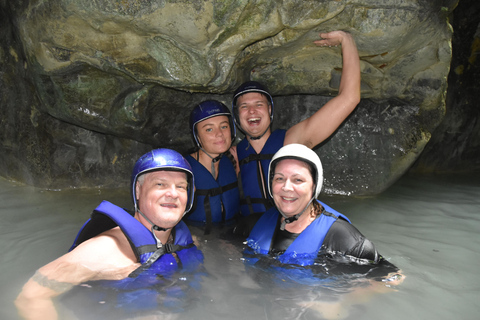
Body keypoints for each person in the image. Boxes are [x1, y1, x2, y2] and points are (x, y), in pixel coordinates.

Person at [15, 148, 205, 320]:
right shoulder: (105, 249)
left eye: (180, 186)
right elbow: (31, 297)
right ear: (138, 190)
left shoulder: (185, 240)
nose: (173, 193)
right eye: (161, 184)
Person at [231, 31, 361, 227]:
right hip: (252, 235)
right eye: (244, 107)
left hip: (290, 230)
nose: (251, 111)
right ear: (237, 117)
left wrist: (347, 41)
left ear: (269, 110)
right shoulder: (234, 154)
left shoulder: (292, 140)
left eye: (259, 104)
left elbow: (349, 98)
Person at [246, 144, 396, 268]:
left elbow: (393, 277)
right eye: (279, 178)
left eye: (297, 180)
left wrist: (337, 303)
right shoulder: (255, 223)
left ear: (314, 187)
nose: (286, 187)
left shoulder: (342, 238)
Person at [184, 100, 240, 233]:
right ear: (198, 136)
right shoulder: (184, 170)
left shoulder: (231, 161)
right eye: (209, 129)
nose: (219, 133)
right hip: (197, 236)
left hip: (230, 233)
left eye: (224, 126)